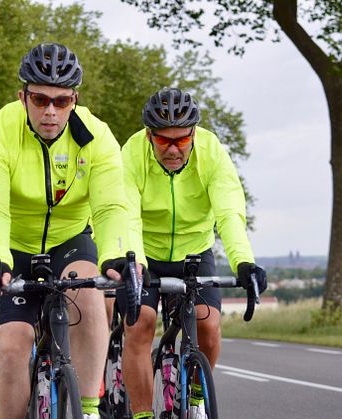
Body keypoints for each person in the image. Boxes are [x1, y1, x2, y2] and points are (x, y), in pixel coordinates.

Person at [0, 42, 142, 419]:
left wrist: (116, 252)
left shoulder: (96, 136)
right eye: (40, 99)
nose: (50, 111)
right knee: (13, 345)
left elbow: (113, 205)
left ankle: (90, 410)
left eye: (61, 102)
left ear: (74, 100)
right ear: (23, 96)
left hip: (70, 239)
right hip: (14, 244)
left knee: (89, 295)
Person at [116, 87, 267, 419]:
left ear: (194, 134)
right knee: (141, 324)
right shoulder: (132, 153)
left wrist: (244, 261)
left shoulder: (211, 152)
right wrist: (134, 265)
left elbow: (229, 210)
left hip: (194, 253)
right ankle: (141, 414)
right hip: (146, 253)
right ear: (149, 135)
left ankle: (197, 396)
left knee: (208, 326)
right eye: (163, 141)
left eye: (182, 141)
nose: (173, 149)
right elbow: (124, 214)